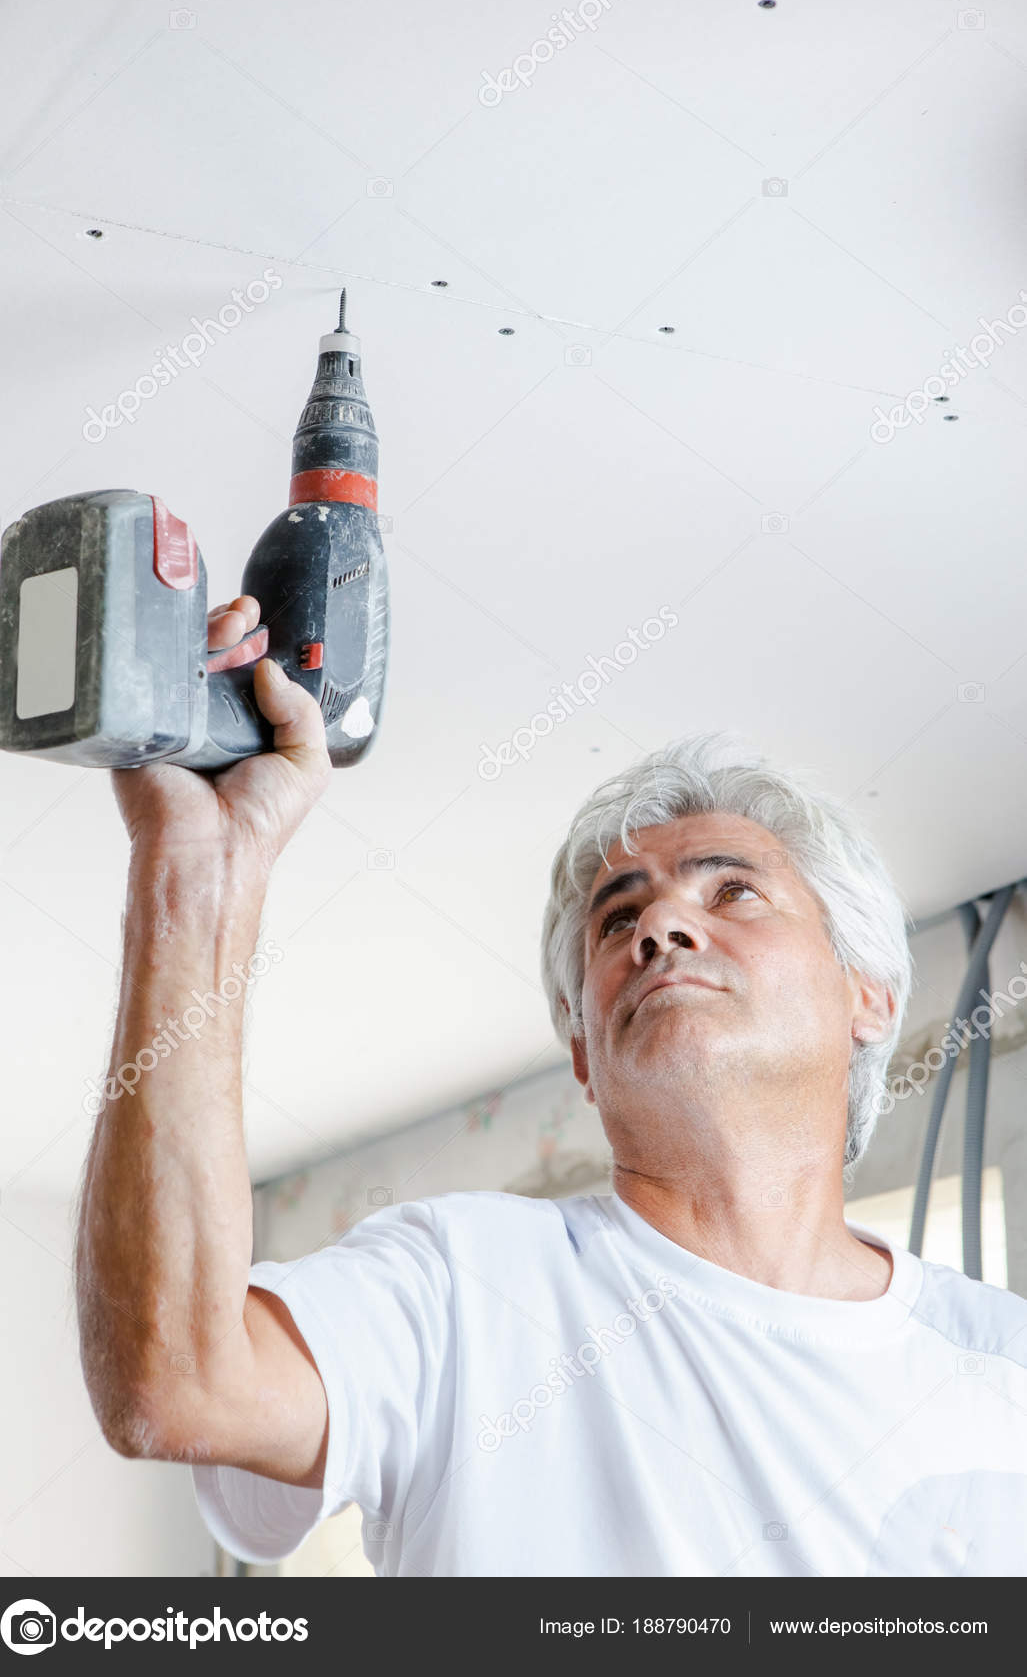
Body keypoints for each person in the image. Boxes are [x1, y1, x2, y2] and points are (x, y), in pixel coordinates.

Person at [75, 595, 1027, 1579]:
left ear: (867, 991)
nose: (659, 926)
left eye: (730, 891)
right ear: (582, 1050)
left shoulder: (1002, 1363)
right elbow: (176, 1382)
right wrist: (197, 870)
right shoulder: (460, 1284)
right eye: (616, 922)